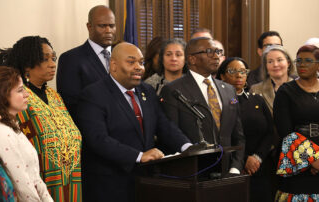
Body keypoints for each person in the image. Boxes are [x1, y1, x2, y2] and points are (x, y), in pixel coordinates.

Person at [76, 42, 191, 202]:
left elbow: (164, 125)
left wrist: (188, 148)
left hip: (145, 182)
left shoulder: (147, 91)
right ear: (113, 65)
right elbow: (97, 139)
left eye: (141, 62)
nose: (139, 67)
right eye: (131, 62)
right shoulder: (94, 94)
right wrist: (138, 156)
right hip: (110, 185)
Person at [2, 36, 82, 202]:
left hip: (72, 179)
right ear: (27, 65)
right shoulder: (20, 100)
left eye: (53, 58)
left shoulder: (55, 96)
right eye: (44, 59)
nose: (52, 64)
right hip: (38, 181)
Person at [160, 37, 245, 174]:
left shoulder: (228, 90)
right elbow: (171, 134)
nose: (216, 56)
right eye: (210, 51)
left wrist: (235, 167)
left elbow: (238, 135)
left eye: (218, 51)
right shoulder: (174, 90)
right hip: (194, 171)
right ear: (192, 59)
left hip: (228, 171)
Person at [216, 57, 273, 202]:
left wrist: (257, 157)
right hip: (231, 167)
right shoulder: (217, 103)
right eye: (232, 71)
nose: (239, 75)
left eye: (242, 71)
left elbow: (271, 131)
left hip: (260, 166)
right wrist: (243, 159)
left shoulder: (257, 100)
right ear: (222, 76)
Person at [0, 66, 53, 202]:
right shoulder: (3, 132)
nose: (27, 94)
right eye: (20, 90)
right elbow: (22, 184)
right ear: (3, 96)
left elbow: (34, 177)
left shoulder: (12, 127)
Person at [273, 45, 319, 201]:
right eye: (298, 61)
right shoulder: (285, 91)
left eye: (308, 61)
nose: (302, 65)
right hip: (297, 162)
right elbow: (285, 132)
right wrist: (313, 160)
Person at [57, 5, 116, 123]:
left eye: (112, 26)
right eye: (102, 26)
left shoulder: (122, 56)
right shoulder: (70, 59)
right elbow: (71, 105)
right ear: (89, 27)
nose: (108, 30)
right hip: (92, 131)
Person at [250, 45, 295, 115]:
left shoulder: (298, 87)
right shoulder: (256, 90)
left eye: (279, 60)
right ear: (266, 66)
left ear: (288, 63)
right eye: (270, 61)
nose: (275, 65)